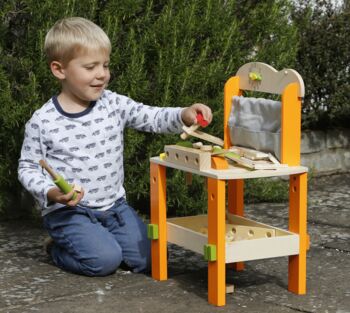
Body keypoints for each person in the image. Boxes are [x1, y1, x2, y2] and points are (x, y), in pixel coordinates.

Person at [18, 17, 212, 277]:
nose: (102, 74)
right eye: (90, 67)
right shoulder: (43, 121)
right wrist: (51, 192)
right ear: (59, 69)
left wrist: (183, 115)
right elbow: (28, 167)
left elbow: (150, 116)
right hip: (70, 212)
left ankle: (99, 240)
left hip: (114, 207)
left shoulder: (113, 104)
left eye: (105, 65)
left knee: (154, 259)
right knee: (104, 262)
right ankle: (58, 248)